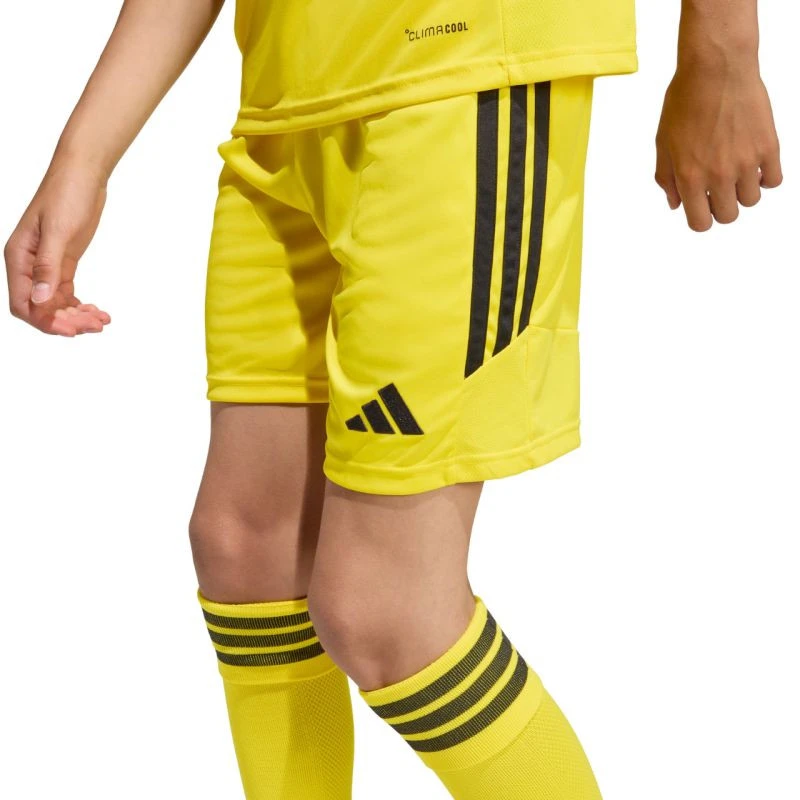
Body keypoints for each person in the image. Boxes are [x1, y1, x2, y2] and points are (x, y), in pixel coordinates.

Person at [4, 0, 782, 798]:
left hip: (459, 63)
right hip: (289, 92)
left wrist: (723, 45)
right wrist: (82, 157)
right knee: (247, 552)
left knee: (388, 609)